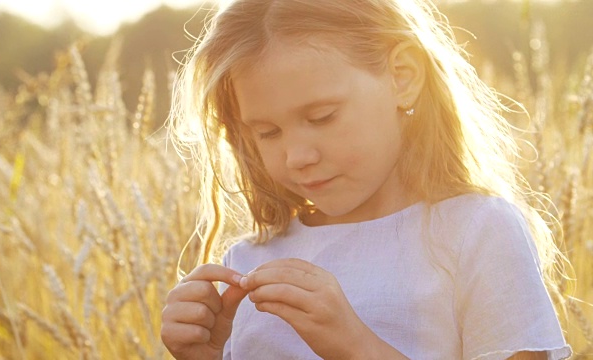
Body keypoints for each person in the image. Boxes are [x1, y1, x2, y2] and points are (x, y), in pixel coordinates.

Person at [160, 0, 573, 358]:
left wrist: (357, 347)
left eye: (322, 117)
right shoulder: (247, 261)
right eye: (267, 132)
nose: (298, 157)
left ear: (403, 77)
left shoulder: (476, 231)